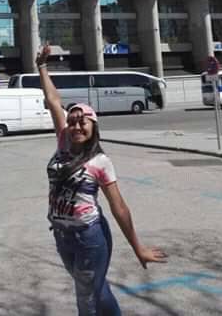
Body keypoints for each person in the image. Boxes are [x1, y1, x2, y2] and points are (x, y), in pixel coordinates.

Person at [36, 44, 167, 315]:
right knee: (96, 289)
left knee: (86, 298)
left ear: (94, 126)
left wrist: (137, 248)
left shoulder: (100, 162)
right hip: (62, 236)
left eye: (83, 121)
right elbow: (53, 101)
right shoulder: (63, 144)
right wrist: (41, 67)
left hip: (89, 238)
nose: (76, 125)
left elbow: (119, 208)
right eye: (72, 121)